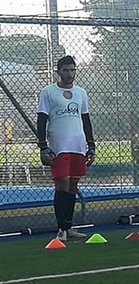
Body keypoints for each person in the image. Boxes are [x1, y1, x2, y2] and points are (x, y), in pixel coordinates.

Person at [36, 55, 96, 241]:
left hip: (77, 145)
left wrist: (91, 145)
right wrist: (43, 146)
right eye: (66, 70)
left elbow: (85, 120)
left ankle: (68, 227)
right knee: (61, 185)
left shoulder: (81, 93)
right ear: (58, 71)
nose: (70, 73)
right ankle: (61, 229)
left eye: (72, 70)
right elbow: (41, 119)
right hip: (58, 145)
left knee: (72, 186)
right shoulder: (48, 92)